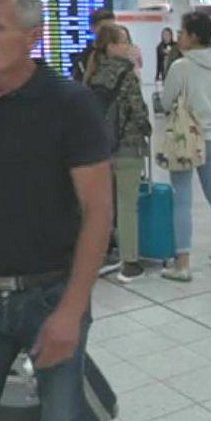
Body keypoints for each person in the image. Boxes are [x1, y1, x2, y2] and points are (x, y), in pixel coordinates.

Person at [0, 0, 113, 421]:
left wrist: (72, 309)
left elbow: (98, 210)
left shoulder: (70, 104)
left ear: (33, 38)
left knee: (61, 418)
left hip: (50, 293)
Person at [160, 12, 211, 282]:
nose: (179, 36)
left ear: (194, 36)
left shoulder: (180, 67)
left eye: (182, 32)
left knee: (182, 199)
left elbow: (166, 100)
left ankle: (182, 265)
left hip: (184, 138)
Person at [84, 24, 152, 283]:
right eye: (123, 41)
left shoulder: (92, 74)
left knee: (102, 206)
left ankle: (100, 257)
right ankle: (130, 262)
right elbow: (138, 111)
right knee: (127, 206)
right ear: (111, 46)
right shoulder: (126, 74)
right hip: (127, 146)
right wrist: (146, 128)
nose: (128, 45)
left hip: (98, 149)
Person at [72, 8, 115, 82]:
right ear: (93, 28)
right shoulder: (83, 58)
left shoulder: (121, 54)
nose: (109, 32)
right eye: (104, 28)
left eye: (112, 28)